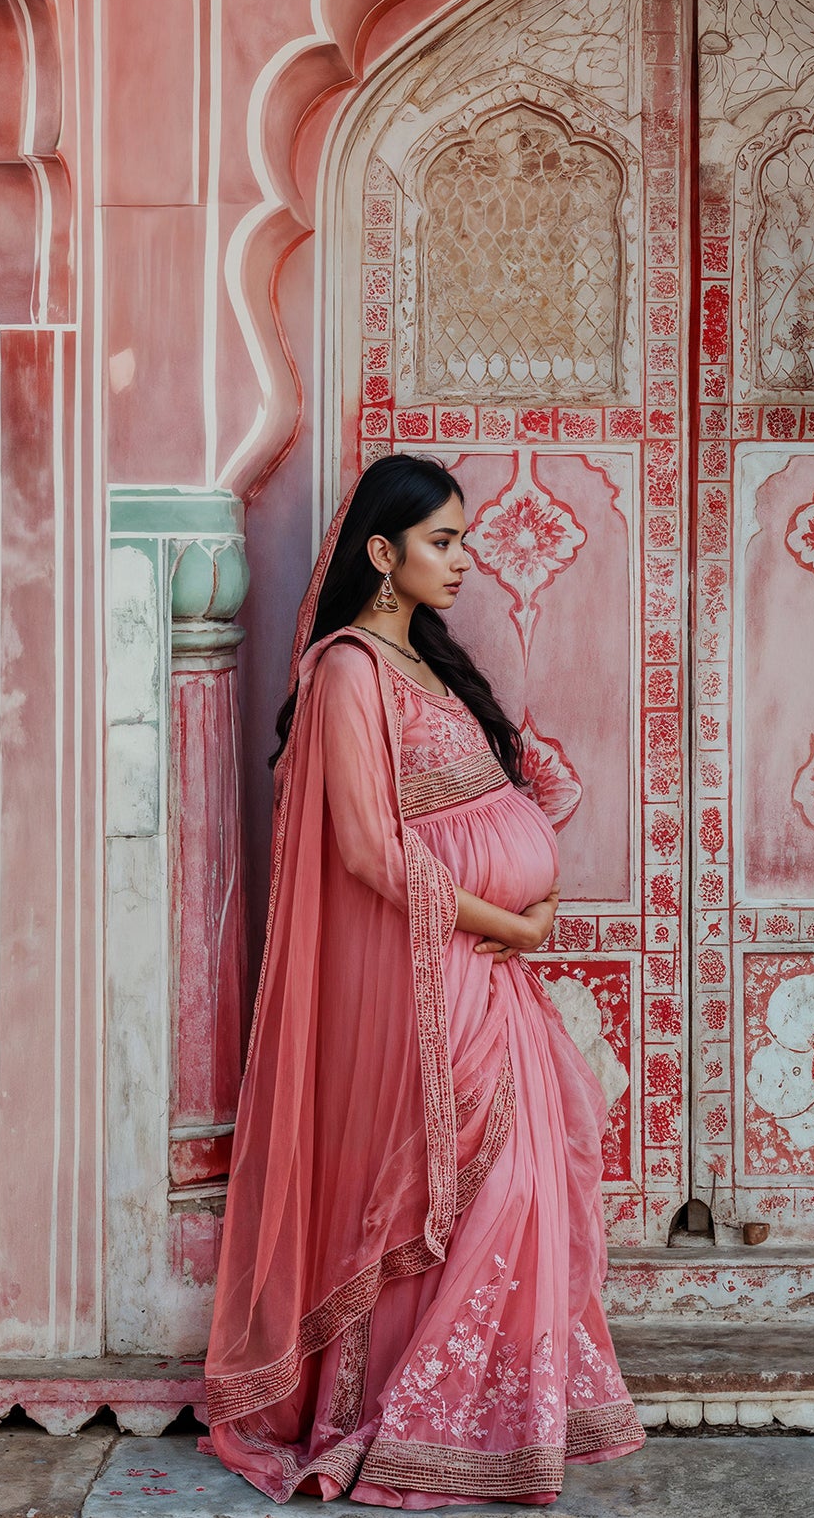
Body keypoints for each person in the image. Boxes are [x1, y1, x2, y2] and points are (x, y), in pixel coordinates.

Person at [203, 454, 644, 1506]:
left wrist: (515, 918)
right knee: (471, 1193)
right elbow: (367, 849)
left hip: (483, 973)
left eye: (462, 538)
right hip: (424, 979)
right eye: (441, 540)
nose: (461, 559)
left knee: (525, 1190)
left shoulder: (431, 668)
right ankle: (412, 1419)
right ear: (381, 552)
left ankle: (493, 1417)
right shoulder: (348, 670)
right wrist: (512, 919)